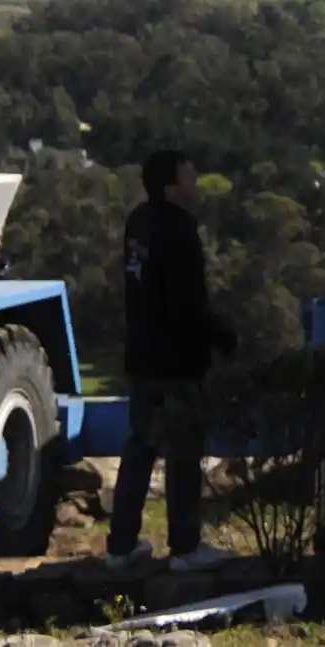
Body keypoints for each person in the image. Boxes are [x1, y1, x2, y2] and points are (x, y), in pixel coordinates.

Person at [105, 150, 237, 573]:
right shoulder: (180, 229)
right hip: (178, 360)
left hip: (141, 354)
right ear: (171, 185)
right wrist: (224, 337)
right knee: (183, 453)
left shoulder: (138, 222)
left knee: (140, 447)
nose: (195, 174)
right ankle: (185, 547)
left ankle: (121, 545)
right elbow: (189, 303)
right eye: (188, 170)